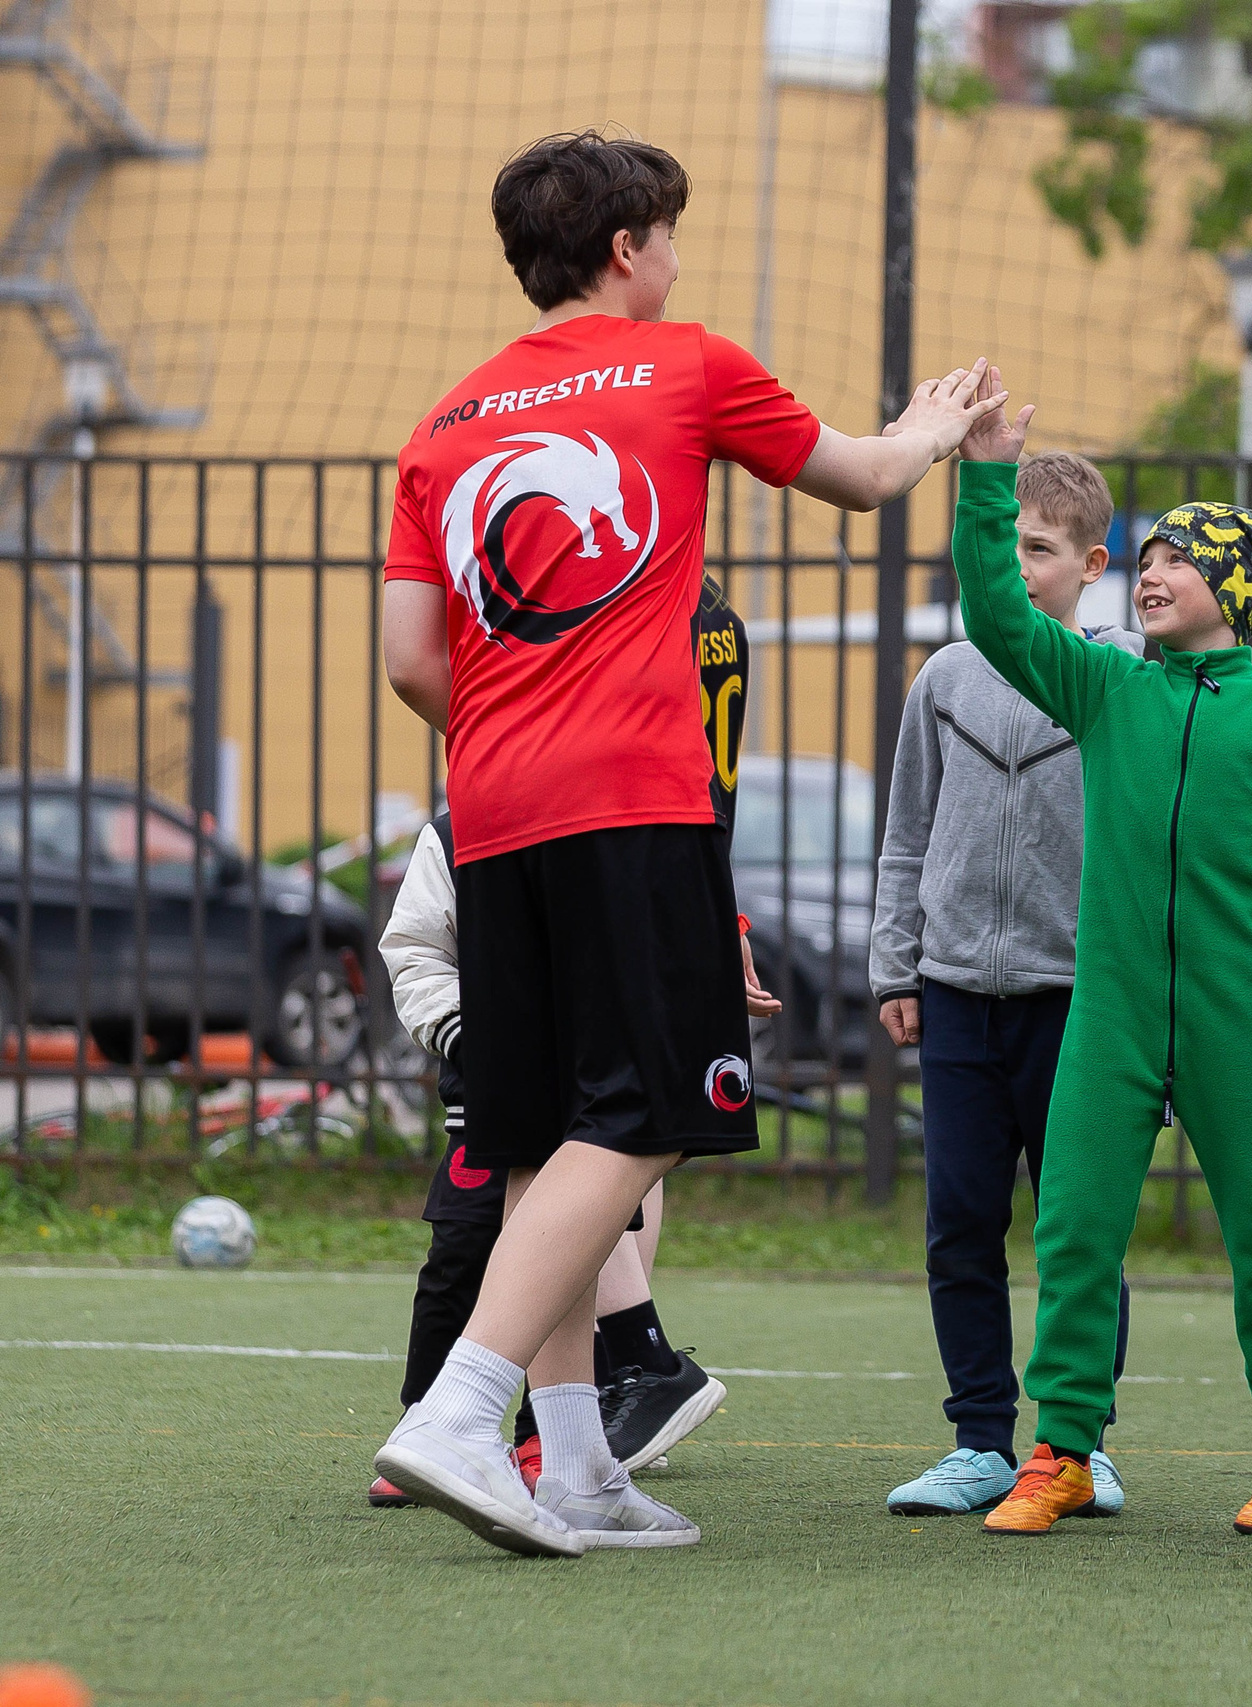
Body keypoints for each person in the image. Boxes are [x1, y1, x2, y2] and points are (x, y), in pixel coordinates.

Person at [372, 129, 1000, 1557]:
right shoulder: (687, 363)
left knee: (535, 1123)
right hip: (629, 799)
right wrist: (934, 423)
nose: (676, 258)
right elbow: (858, 478)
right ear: (624, 250)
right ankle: (466, 1405)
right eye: (668, 234)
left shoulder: (447, 419)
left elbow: (414, 661)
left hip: (494, 804)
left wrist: (522, 716)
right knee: (650, 1110)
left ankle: (578, 1461)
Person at [948, 371, 1252, 1537]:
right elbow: (999, 612)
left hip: (1237, 1013)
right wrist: (986, 475)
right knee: (1074, 1229)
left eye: (1177, 563)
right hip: (1108, 1010)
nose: (1149, 575)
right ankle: (1057, 1451)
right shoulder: (1102, 684)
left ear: (1236, 592)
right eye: (1144, 560)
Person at [367, 575, 773, 1511]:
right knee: (612, 1141)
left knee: (588, 1140)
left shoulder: (623, 607)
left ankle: (594, 1375)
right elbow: (704, 778)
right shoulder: (697, 611)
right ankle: (570, 1423)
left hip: (601, 850)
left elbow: (420, 669)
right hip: (642, 864)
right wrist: (713, 908)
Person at [871, 451, 1143, 1518]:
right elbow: (906, 837)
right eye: (1005, 546)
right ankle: (982, 1440)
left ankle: (1076, 1440)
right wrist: (897, 963)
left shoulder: (1122, 675)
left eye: (1038, 550)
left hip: (1075, 998)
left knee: (1081, 1226)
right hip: (952, 996)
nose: (1019, 567)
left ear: (1089, 562)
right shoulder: (942, 679)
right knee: (960, 1221)